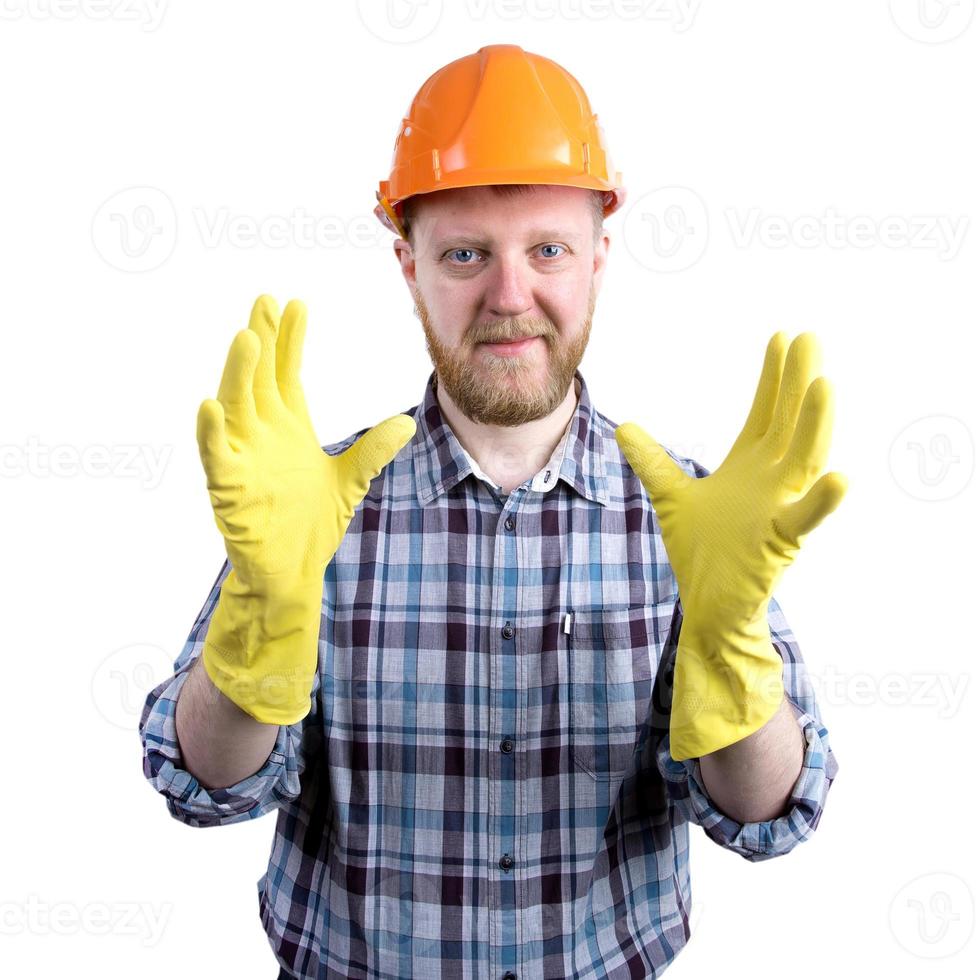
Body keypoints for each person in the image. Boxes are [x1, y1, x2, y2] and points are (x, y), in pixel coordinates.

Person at [139, 44, 845, 980]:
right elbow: (206, 788)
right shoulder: (309, 505)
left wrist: (729, 647)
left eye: (546, 248)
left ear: (599, 255)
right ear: (408, 265)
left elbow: (766, 819)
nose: (510, 297)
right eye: (466, 253)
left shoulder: (696, 520)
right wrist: (263, 617)